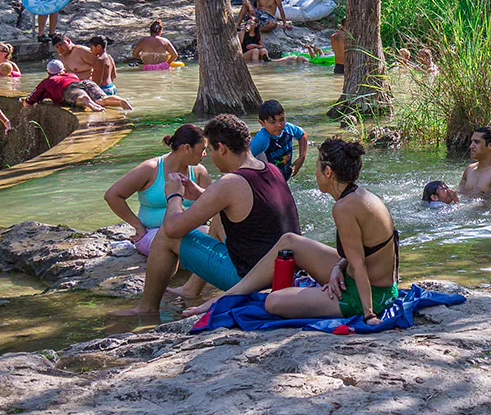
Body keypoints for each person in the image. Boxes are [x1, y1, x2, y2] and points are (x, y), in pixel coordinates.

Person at [185, 139, 397, 324]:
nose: (315, 173)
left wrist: (369, 315)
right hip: (373, 283)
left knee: (273, 302)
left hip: (367, 295)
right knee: (290, 241)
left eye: (317, 167)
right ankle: (229, 295)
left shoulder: (343, 208)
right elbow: (365, 253)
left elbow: (359, 263)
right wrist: (337, 269)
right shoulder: (359, 196)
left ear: (328, 172)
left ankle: (225, 298)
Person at [112, 114, 300, 316]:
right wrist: (202, 195)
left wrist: (174, 195)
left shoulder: (229, 182)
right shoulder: (271, 169)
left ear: (222, 148)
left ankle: (146, 309)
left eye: (210, 150)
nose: (208, 156)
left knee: (165, 235)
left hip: (249, 281)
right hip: (282, 273)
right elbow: (243, 205)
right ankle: (191, 288)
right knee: (220, 217)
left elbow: (173, 228)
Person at [103, 123, 215, 258]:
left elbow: (214, 205)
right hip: (154, 233)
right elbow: (113, 195)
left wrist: (198, 194)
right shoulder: (150, 169)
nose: (205, 154)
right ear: (187, 148)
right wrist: (138, 226)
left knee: (212, 238)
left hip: (193, 231)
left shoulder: (199, 172)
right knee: (180, 246)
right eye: (202, 149)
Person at [24, 59, 133, 112]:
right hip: (84, 82)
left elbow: (30, 100)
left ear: (48, 73)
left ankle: (86, 100)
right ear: (63, 70)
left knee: (79, 98)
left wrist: (26, 103)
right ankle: (120, 101)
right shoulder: (70, 74)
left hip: (69, 88)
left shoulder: (47, 81)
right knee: (101, 100)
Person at [250, 99, 308, 182]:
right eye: (272, 122)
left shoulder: (288, 129)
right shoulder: (262, 139)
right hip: (268, 180)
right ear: (262, 123)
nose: (279, 125)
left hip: (284, 174)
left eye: (281, 120)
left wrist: (301, 157)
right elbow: (246, 157)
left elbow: (302, 135)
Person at [458, 126, 491, 201]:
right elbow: (460, 197)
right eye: (472, 142)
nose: (471, 146)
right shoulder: (469, 169)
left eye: (476, 142)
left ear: (490, 145)